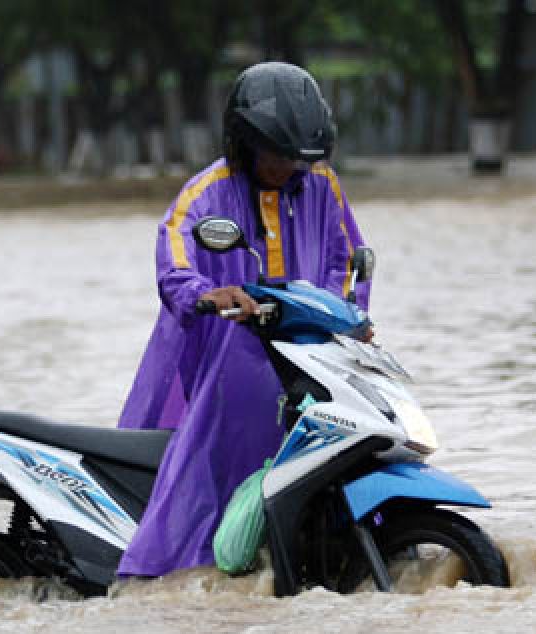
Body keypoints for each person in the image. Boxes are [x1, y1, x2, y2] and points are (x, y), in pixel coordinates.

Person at [116, 62, 371, 576]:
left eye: (298, 157)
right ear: (245, 143)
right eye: (278, 155)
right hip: (221, 356)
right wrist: (208, 295)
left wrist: (345, 316)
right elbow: (174, 260)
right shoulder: (204, 194)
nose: (289, 168)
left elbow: (345, 257)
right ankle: (193, 574)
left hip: (305, 353)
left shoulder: (321, 183)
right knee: (205, 481)